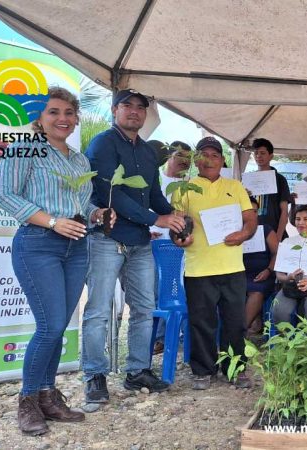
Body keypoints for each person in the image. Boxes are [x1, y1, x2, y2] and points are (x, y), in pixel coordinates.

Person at [0, 87, 115, 435]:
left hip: (76, 247)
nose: (62, 118)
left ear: (77, 117)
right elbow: (5, 195)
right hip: (39, 244)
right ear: (40, 117)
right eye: (54, 112)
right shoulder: (26, 148)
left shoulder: (79, 160)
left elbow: (84, 204)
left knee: (59, 326)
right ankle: (28, 401)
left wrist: (98, 214)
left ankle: (48, 395)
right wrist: (50, 221)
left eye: (68, 112)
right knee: (49, 326)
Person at [83, 89, 185, 403]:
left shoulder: (146, 152)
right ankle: (94, 375)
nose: (135, 112)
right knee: (99, 311)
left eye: (141, 108)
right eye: (127, 105)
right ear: (115, 110)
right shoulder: (103, 143)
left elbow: (152, 193)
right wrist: (158, 219)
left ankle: (138, 370)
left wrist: (174, 216)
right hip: (106, 239)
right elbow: (110, 194)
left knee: (143, 309)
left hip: (140, 242)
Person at [171, 136, 257, 389]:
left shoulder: (235, 186)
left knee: (235, 321)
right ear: (196, 160)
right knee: (201, 321)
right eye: (204, 155)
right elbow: (177, 225)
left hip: (233, 268)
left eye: (214, 155)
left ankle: (235, 368)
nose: (209, 160)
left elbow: (250, 219)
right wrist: (178, 238)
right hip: (199, 269)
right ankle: (203, 370)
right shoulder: (183, 188)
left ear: (222, 160)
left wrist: (243, 233)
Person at [151, 141, 192, 354]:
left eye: (188, 158)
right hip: (155, 243)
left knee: (178, 290)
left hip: (180, 247)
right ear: (169, 157)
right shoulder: (155, 179)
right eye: (180, 156)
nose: (184, 162)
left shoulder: (190, 185)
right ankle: (159, 338)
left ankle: (178, 336)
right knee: (157, 291)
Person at [243, 197, 279, 338]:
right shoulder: (235, 230)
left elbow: (277, 253)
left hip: (263, 274)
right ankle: (254, 321)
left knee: (256, 291)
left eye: (255, 211)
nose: (252, 214)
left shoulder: (265, 229)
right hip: (239, 273)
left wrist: (269, 270)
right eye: (248, 211)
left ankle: (240, 332)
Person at [250, 138, 290, 240]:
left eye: (262, 153)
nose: (258, 156)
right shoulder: (248, 179)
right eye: (256, 153)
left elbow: (284, 211)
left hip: (274, 233)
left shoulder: (280, 180)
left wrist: (278, 237)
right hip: (253, 234)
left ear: (271, 156)